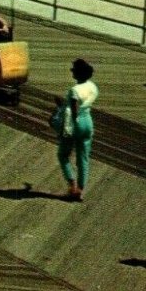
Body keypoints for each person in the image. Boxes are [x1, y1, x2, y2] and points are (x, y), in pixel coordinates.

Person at [56, 59, 98, 201]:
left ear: (78, 74)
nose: (71, 71)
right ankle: (80, 189)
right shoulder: (93, 87)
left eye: (73, 69)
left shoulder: (74, 90)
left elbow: (74, 111)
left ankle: (71, 184)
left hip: (76, 123)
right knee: (83, 158)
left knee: (63, 154)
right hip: (88, 122)